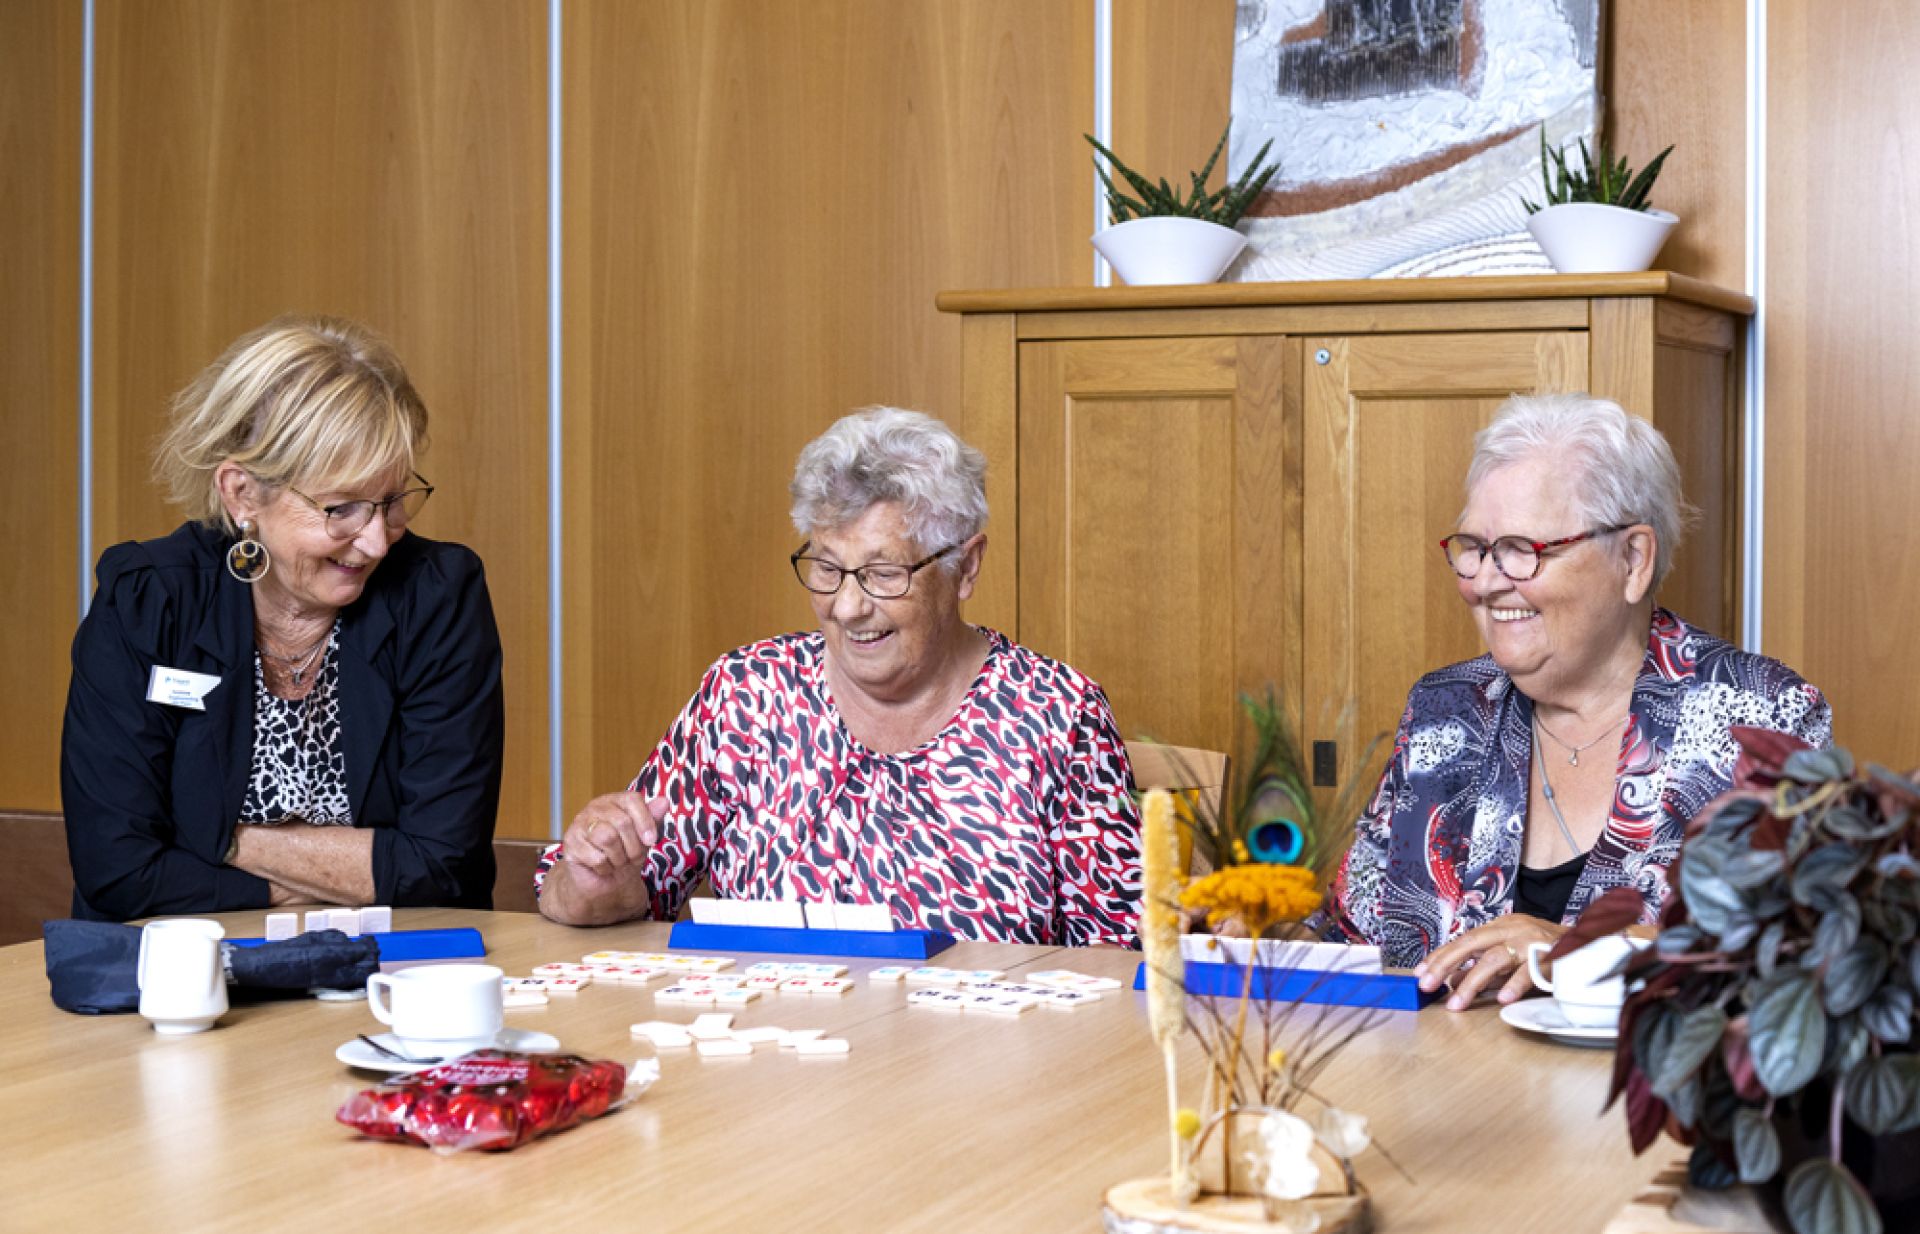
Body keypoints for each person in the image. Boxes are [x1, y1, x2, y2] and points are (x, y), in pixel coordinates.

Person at [536, 407, 1140, 946]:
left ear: (966, 566)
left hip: (982, 1058)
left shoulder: (1055, 714)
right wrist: (590, 878)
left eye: (882, 574)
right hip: (774, 1049)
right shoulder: (749, 695)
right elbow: (608, 893)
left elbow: (1121, 957)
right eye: (826, 568)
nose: (847, 607)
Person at [1320, 393, 1830, 1008]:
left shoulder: (1761, 719)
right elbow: (1348, 938)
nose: (1483, 581)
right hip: (1442, 1093)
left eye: (1522, 549)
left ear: (1633, 559)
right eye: (1475, 548)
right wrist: (1239, 938)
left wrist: (1570, 952)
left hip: (1647, 1098)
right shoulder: (1445, 712)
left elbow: (1798, 961)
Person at [61, 316, 504, 921]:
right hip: (177, 978)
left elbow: (442, 865)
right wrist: (347, 876)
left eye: (393, 501)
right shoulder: (151, 601)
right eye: (341, 508)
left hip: (394, 972)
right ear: (242, 494)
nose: (375, 542)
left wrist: (219, 838)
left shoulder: (435, 596)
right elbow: (119, 872)